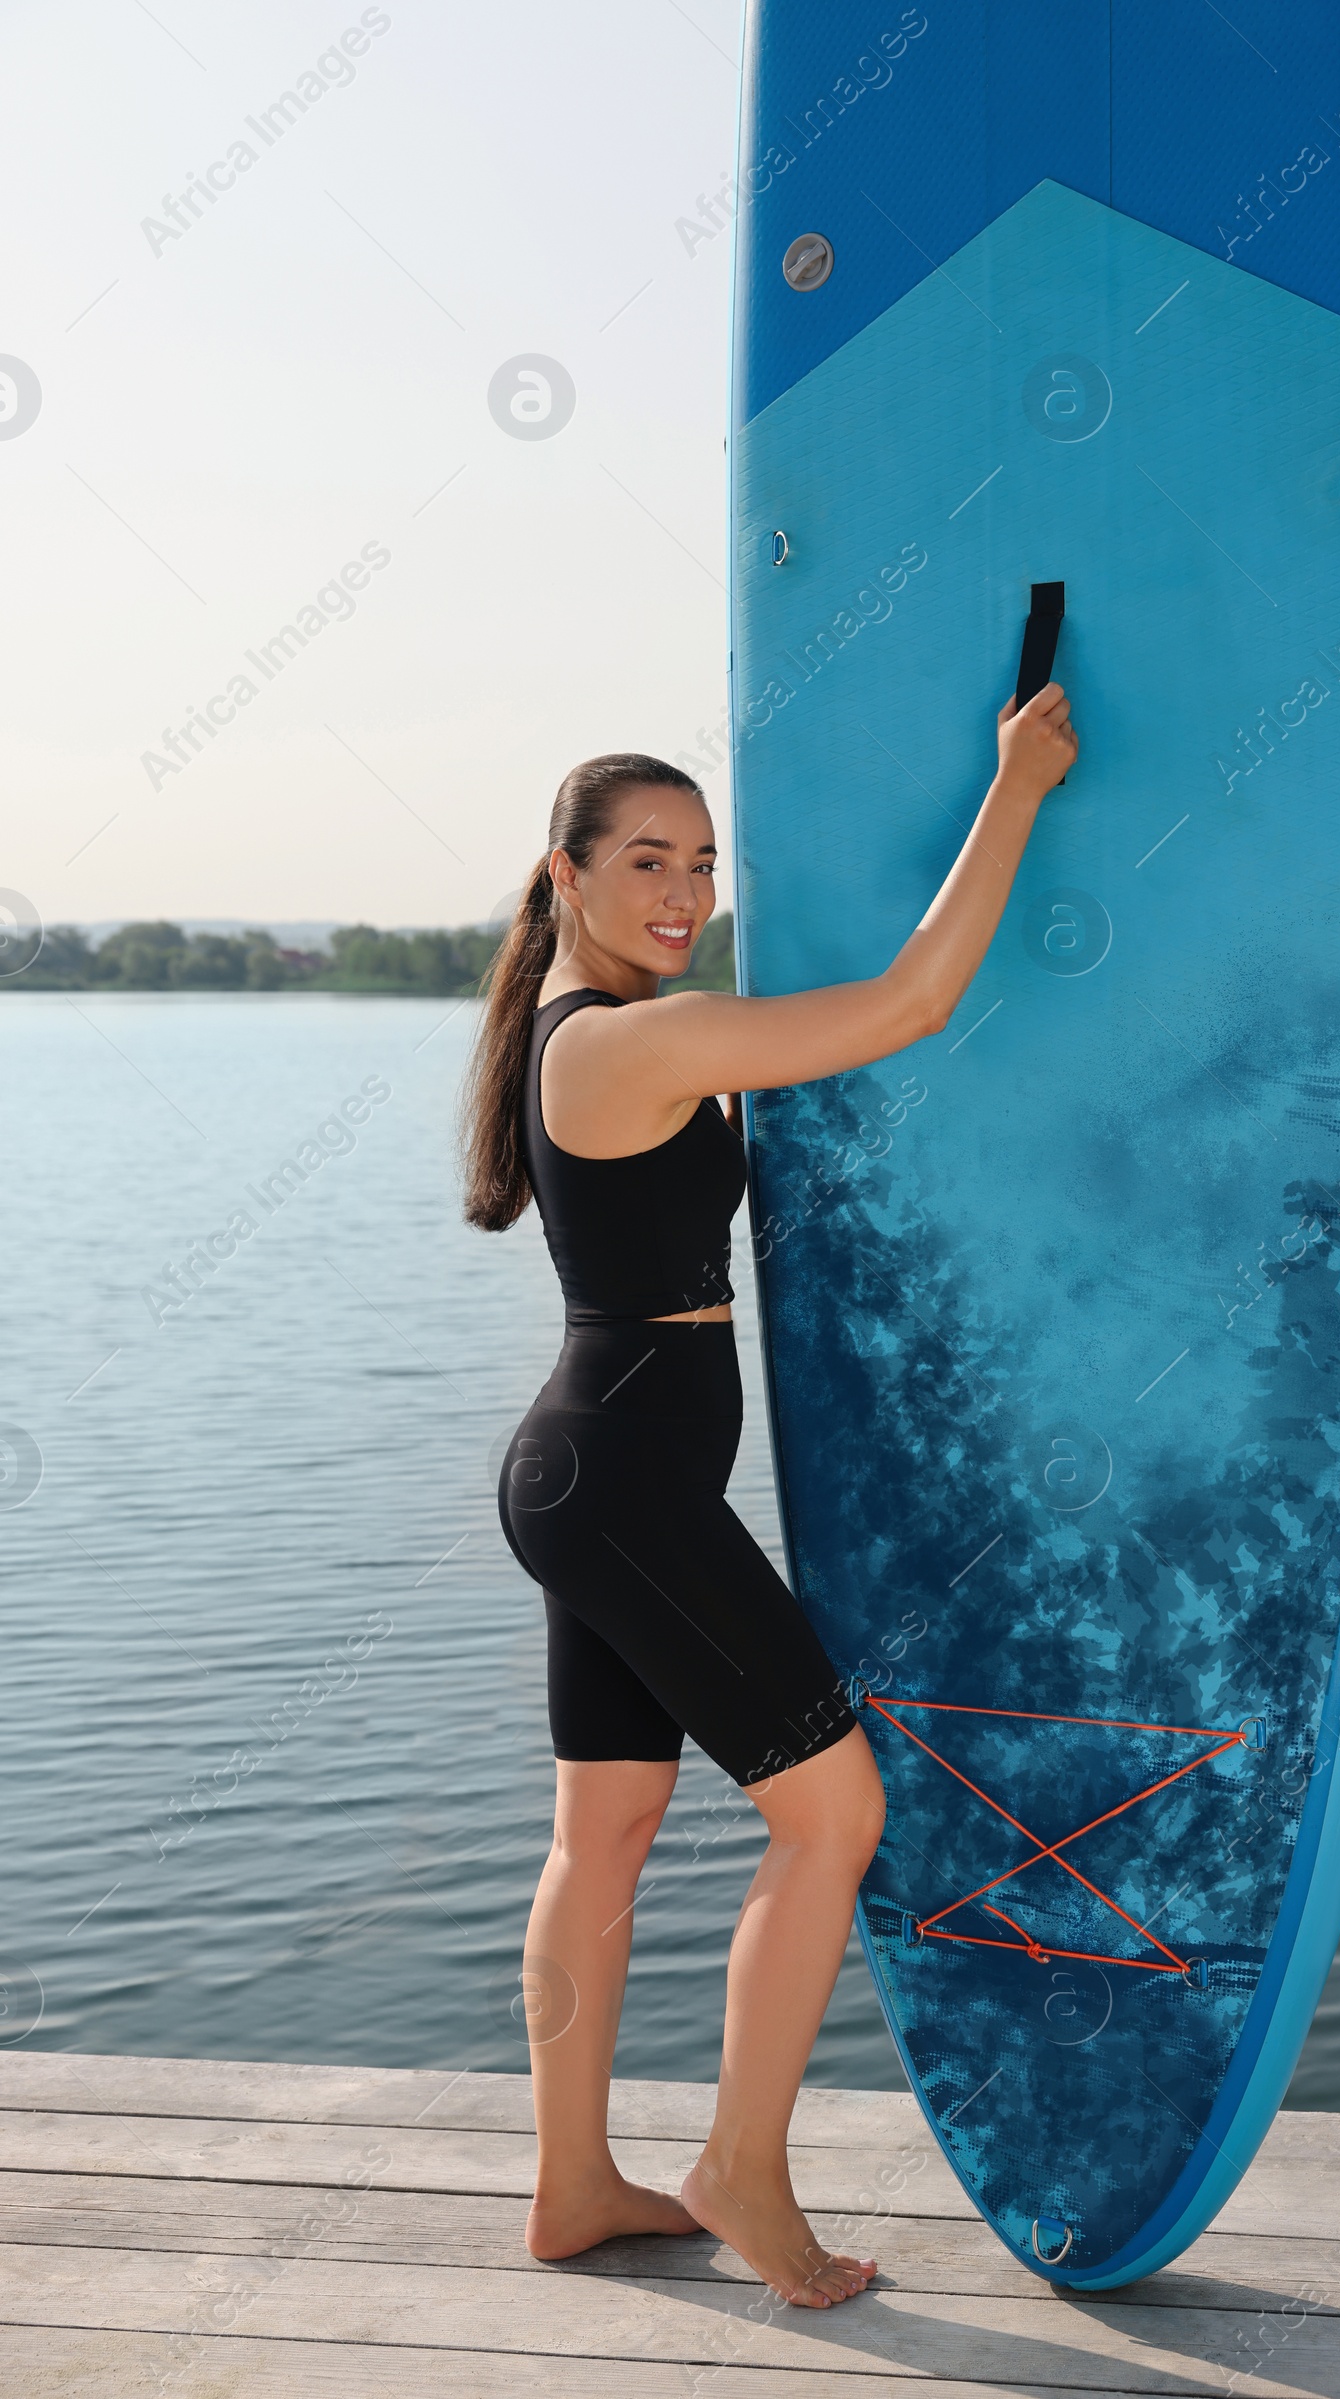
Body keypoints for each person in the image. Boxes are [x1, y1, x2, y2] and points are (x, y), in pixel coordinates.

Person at [462, 680, 1077, 2306]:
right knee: (835, 1812)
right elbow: (915, 1000)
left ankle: (577, 2187)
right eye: (647, 861)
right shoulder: (629, 1041)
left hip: (591, 1472)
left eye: (703, 864)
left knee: (604, 1834)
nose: (683, 895)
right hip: (623, 1488)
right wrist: (1015, 785)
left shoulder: (575, 1037)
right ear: (566, 877)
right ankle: (739, 2169)